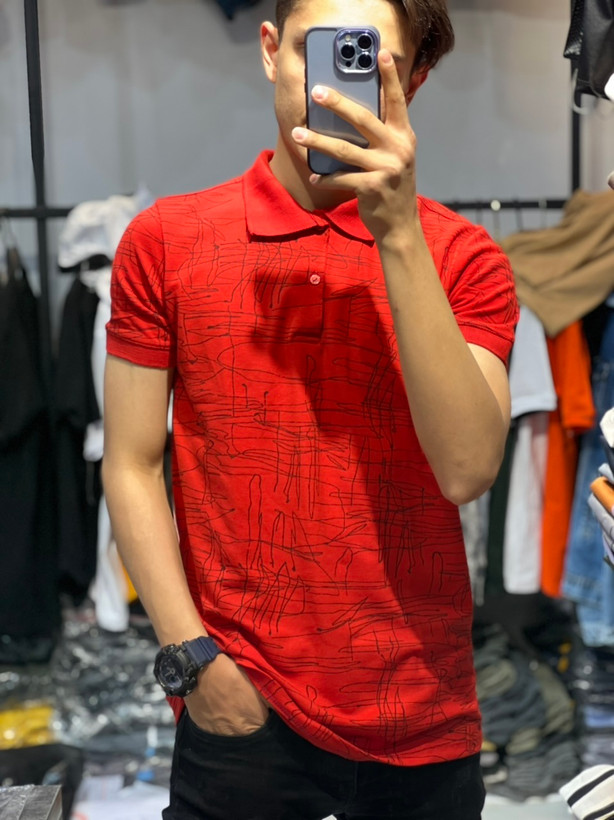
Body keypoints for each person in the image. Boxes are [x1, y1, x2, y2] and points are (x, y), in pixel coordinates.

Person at [102, 0, 519, 817]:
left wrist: (398, 234)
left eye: (368, 58)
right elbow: (130, 463)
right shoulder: (166, 242)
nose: (329, 85)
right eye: (313, 50)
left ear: (412, 80)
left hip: (421, 712)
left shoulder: (464, 259)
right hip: (241, 710)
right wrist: (192, 661)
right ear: (270, 51)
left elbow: (467, 469)